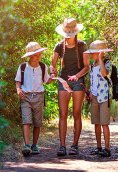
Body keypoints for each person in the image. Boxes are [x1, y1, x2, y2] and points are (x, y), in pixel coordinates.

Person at [50, 18, 89, 156]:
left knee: (77, 113)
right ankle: (62, 146)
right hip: (63, 81)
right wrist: (52, 71)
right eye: (67, 32)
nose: (68, 35)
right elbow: (53, 64)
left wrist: (77, 76)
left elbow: (86, 67)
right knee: (63, 113)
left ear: (75, 32)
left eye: (71, 32)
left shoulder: (82, 45)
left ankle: (75, 145)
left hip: (78, 81)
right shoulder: (59, 46)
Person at [15, 41, 54, 156]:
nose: (39, 57)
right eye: (36, 55)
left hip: (39, 96)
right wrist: (18, 90)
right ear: (30, 56)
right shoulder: (22, 67)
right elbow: (18, 82)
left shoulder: (43, 66)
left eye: (40, 54)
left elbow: (46, 81)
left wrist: (53, 78)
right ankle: (26, 145)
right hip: (25, 96)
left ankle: (34, 145)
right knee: (26, 121)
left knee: (37, 122)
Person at [83, 40, 113, 157]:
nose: (91, 55)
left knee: (104, 123)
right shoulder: (92, 65)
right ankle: (99, 147)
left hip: (104, 96)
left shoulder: (107, 62)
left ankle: (107, 148)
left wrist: (100, 59)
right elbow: (93, 81)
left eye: (94, 53)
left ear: (100, 53)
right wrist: (89, 93)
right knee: (96, 123)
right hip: (94, 96)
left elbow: (105, 74)